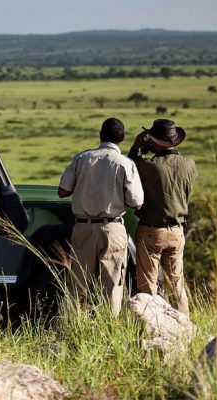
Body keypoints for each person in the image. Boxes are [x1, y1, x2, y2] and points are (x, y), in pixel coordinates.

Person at [58, 117, 144, 316]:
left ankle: (72, 325)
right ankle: (109, 329)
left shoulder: (81, 158)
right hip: (112, 228)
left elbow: (62, 191)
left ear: (100, 135)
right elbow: (136, 202)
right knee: (112, 284)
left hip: (83, 227)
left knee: (77, 282)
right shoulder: (125, 163)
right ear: (122, 138)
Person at [128, 119, 197, 316]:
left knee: (148, 288)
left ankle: (154, 329)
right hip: (177, 231)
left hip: (151, 231)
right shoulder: (189, 164)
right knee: (177, 286)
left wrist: (137, 147)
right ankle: (184, 325)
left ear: (155, 141)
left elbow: (129, 167)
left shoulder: (149, 166)